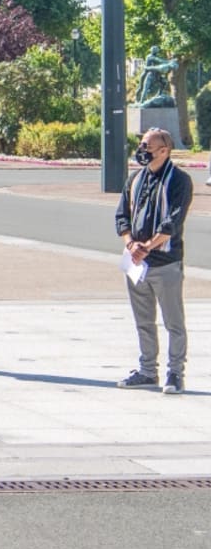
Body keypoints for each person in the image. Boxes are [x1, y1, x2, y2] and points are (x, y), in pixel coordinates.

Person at [115, 127, 193, 394]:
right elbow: (121, 216)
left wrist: (147, 247)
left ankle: (175, 374)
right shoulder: (135, 179)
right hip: (136, 263)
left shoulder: (180, 180)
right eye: (142, 145)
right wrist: (131, 244)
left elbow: (173, 220)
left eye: (148, 146)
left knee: (174, 322)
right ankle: (148, 371)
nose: (142, 150)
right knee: (143, 321)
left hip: (166, 263)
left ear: (164, 150)